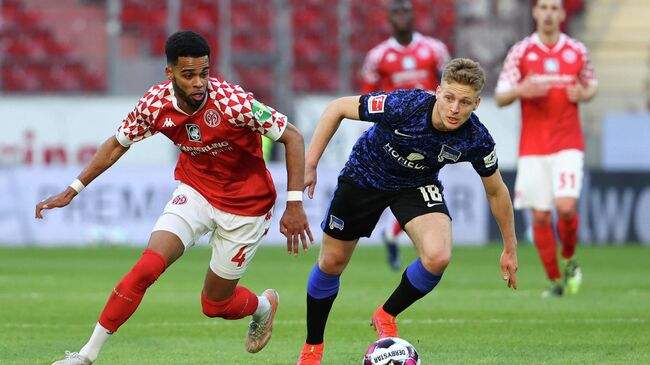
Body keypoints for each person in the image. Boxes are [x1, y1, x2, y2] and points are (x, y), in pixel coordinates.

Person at [36, 31, 313, 365]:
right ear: (170, 74)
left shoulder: (233, 103)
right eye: (188, 75)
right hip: (195, 192)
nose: (199, 83)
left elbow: (293, 137)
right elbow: (116, 144)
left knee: (215, 306)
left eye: (204, 73)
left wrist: (294, 204)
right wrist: (72, 190)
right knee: (146, 267)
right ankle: (84, 356)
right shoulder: (155, 104)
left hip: (246, 208)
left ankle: (264, 306)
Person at [296, 58, 518, 364]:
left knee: (438, 256)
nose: (455, 108)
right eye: (450, 98)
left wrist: (509, 246)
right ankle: (312, 348)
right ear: (437, 91)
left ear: (477, 104)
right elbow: (337, 108)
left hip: (416, 184)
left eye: (464, 102)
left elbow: (496, 190)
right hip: (365, 175)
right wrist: (310, 163)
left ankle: (385, 315)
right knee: (332, 262)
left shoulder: (475, 138)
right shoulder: (404, 105)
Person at [495, 0, 597, 297]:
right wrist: (520, 90)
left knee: (565, 208)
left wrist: (584, 93)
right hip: (533, 147)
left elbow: (592, 85)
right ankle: (554, 281)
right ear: (535, 12)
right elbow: (501, 95)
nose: (549, 13)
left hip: (568, 142)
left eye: (555, 8)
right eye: (544, 7)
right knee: (540, 217)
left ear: (563, 14)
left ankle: (569, 259)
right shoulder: (522, 51)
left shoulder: (577, 50)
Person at [360, 0, 450, 271]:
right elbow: (367, 96)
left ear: (413, 16)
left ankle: (395, 233)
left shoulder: (434, 50)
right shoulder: (378, 56)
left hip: (429, 133)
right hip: (393, 134)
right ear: (389, 18)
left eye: (405, 11)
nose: (401, 17)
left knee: (420, 181)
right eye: (396, 12)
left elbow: (448, 86)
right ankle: (395, 232)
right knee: (401, 183)